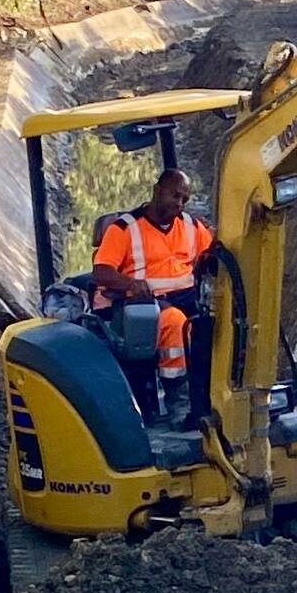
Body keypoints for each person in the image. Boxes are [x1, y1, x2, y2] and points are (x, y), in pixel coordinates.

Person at [88, 164, 215, 422]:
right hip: (138, 304)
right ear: (157, 191)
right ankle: (178, 400)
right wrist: (130, 284)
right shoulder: (124, 229)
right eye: (174, 195)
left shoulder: (191, 226)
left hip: (186, 297)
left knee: (216, 322)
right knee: (175, 323)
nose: (179, 203)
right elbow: (101, 273)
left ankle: (211, 395)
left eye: (184, 199)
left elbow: (214, 257)